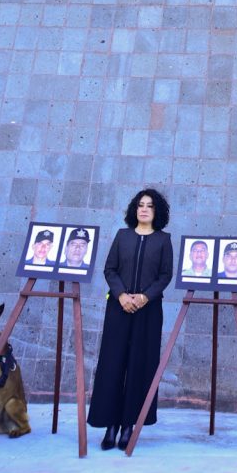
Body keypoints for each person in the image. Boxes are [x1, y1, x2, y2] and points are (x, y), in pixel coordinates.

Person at [87, 188, 173, 452]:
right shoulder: (122, 236)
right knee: (112, 364)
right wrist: (121, 295)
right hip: (119, 308)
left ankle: (128, 426)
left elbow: (165, 275)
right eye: (140, 205)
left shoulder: (163, 240)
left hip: (148, 311)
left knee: (140, 365)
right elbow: (110, 269)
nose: (144, 209)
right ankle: (110, 425)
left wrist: (145, 297)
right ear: (134, 209)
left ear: (157, 212)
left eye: (149, 206)